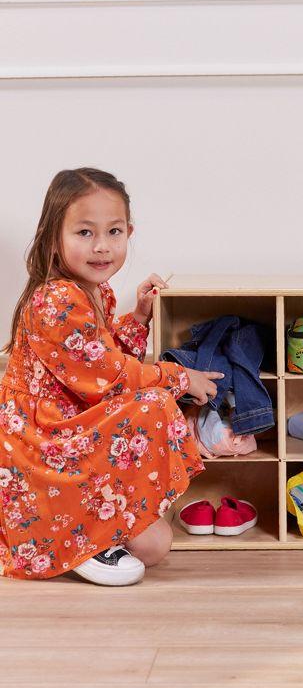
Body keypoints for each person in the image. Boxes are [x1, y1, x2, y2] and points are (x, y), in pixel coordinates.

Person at [0, 168, 222, 585]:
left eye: (114, 232)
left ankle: (90, 528)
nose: (102, 247)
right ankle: (72, 535)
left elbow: (103, 358)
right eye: (84, 233)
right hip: (45, 449)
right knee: (154, 404)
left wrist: (138, 315)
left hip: (71, 432)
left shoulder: (92, 291)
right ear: (53, 237)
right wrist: (179, 377)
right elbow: (110, 377)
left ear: (129, 233)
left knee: (156, 546)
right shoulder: (56, 299)